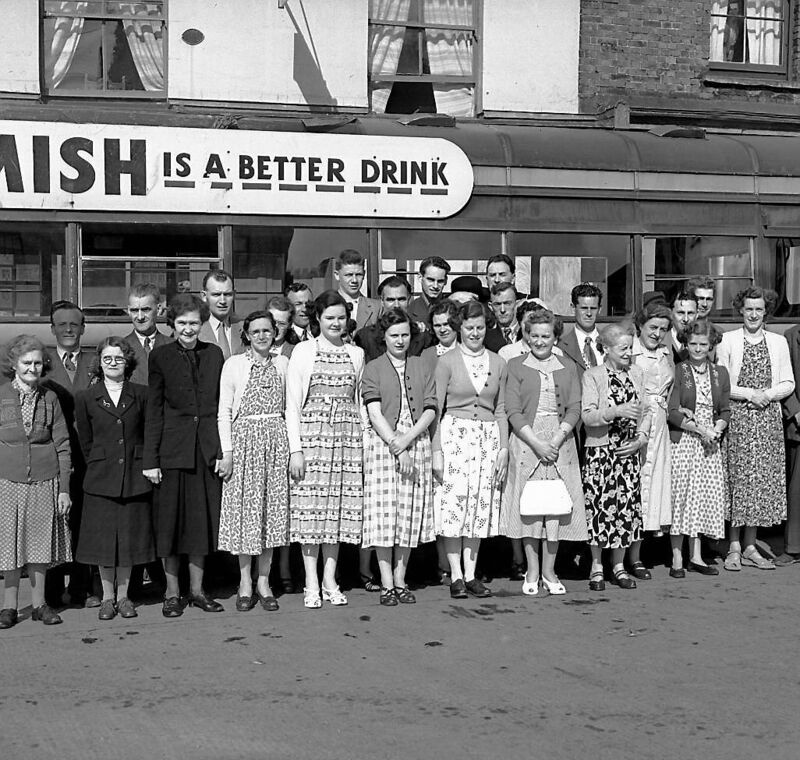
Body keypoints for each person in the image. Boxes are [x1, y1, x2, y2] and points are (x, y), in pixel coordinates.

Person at [143, 294, 226, 617]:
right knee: (170, 525)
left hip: (206, 451)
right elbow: (154, 410)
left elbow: (221, 406)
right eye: (182, 323)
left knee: (200, 525)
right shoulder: (160, 356)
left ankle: (198, 591)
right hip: (172, 452)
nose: (188, 329)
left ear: (202, 323)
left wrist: (222, 450)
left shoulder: (214, 354)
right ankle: (172, 593)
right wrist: (151, 460)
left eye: (193, 323)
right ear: (172, 325)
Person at [286, 290, 365, 609]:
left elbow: (359, 402)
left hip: (346, 440)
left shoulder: (356, 354)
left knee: (337, 512)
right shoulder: (304, 351)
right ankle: (310, 581)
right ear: (317, 318)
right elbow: (292, 404)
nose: (336, 323)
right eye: (329, 317)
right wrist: (295, 450)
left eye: (341, 317)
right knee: (311, 511)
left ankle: (330, 579)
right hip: (313, 438)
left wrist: (363, 446)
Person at [501, 309, 587, 596]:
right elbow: (512, 409)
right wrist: (537, 443)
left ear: (555, 337)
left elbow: (575, 406)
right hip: (528, 440)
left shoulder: (568, 365)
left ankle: (550, 571)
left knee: (555, 507)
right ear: (527, 336)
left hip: (560, 440)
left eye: (545, 336)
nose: (539, 341)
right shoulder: (515, 365)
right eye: (534, 335)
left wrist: (558, 438)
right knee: (531, 508)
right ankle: (532, 570)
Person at [432, 300, 509, 599]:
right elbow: (436, 409)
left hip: (487, 440)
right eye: (468, 328)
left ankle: (472, 574)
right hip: (455, 437)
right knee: (454, 506)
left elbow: (501, 409)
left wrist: (503, 448)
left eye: (479, 327)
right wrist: (437, 450)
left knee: (478, 504)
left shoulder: (498, 362)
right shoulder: (447, 361)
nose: (474, 333)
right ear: (459, 328)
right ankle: (455, 575)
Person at [74, 337, 154, 620]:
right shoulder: (86, 397)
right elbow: (85, 440)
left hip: (133, 476)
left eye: (118, 358)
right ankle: (107, 598)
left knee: (128, 540)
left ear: (127, 362)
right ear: (99, 362)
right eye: (107, 358)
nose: (113, 363)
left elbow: (148, 433)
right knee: (104, 542)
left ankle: (124, 596)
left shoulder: (142, 394)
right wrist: (100, 463)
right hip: (101, 478)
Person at [362, 308, 437, 606]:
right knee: (384, 515)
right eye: (394, 335)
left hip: (416, 441)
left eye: (405, 334)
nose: (400, 340)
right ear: (384, 337)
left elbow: (430, 408)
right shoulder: (374, 367)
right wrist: (397, 444)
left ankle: (401, 578)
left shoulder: (421, 365)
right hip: (384, 444)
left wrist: (408, 440)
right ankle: (386, 582)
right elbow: (374, 412)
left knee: (408, 513)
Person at [717, 286, 794, 571]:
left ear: (765, 312)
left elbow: (788, 382)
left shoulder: (778, 342)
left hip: (767, 420)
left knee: (759, 482)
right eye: (748, 309)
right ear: (741, 310)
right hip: (738, 418)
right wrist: (751, 394)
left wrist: (768, 395)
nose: (753, 314)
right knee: (738, 479)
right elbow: (723, 381)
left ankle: (750, 545)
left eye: (758, 309)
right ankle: (734, 546)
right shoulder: (728, 340)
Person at [217, 310, 289, 612]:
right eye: (255, 331)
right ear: (246, 335)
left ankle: (264, 581)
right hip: (244, 444)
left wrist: (292, 450)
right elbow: (224, 411)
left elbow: (290, 409)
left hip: (275, 444)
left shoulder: (283, 363)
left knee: (271, 514)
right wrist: (228, 452)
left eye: (267, 330)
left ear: (275, 333)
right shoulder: (234, 364)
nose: (261, 336)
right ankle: (245, 581)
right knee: (245, 516)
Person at [0, 336, 71, 628]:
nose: (32, 368)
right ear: (14, 364)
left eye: (38, 363)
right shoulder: (2, 395)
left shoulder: (50, 398)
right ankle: (9, 606)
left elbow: (62, 444)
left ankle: (40, 604)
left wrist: (64, 489)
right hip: (8, 482)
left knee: (39, 545)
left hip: (44, 480)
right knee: (9, 544)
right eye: (26, 362)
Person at [582, 322, 651, 591]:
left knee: (625, 510)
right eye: (622, 348)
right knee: (599, 509)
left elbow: (647, 411)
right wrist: (616, 411)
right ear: (606, 349)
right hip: (601, 453)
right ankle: (597, 566)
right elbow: (588, 416)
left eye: (630, 348)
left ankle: (619, 566)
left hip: (628, 453)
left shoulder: (637, 373)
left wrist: (641, 439)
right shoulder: (593, 376)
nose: (628, 353)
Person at [42, 300, 95, 608]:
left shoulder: (94, 361)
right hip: (55, 455)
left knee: (83, 521)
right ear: (52, 329)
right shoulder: (43, 363)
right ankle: (50, 592)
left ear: (83, 328)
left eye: (74, 324)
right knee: (54, 522)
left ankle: (80, 588)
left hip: (88, 454)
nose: (68, 329)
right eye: (61, 324)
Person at [668, 320, 730, 578]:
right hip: (685, 440)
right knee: (681, 497)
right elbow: (672, 412)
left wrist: (717, 428)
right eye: (692, 343)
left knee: (701, 498)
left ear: (711, 345)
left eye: (703, 344)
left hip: (710, 443)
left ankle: (696, 556)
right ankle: (677, 557)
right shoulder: (679, 370)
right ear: (686, 343)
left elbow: (725, 409)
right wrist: (701, 430)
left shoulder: (720, 373)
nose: (697, 348)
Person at [627, 301, 674, 579]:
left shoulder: (666, 353)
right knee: (634, 487)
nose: (657, 334)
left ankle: (639, 555)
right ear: (641, 326)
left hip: (661, 426)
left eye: (663, 329)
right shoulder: (631, 353)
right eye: (653, 327)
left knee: (652, 487)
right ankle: (624, 556)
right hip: (637, 423)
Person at [355, 276, 432, 363]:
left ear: (409, 300)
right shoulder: (365, 337)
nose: (396, 305)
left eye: (401, 299)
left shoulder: (422, 337)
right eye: (390, 300)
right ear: (382, 301)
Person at [124, 283, 173, 386]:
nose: (140, 317)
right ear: (128, 311)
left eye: (145, 310)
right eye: (134, 310)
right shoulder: (120, 348)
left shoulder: (174, 347)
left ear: (158, 309)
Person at [780, 320, 800, 565]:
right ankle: (794, 547)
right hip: (799, 422)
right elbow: (783, 377)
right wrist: (795, 411)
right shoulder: (791, 336)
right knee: (797, 489)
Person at [558, 283, 604, 374]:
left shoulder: (611, 342)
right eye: (584, 308)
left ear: (599, 309)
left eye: (593, 308)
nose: (589, 313)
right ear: (573, 308)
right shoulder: (560, 347)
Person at [199, 270, 244, 359]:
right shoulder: (195, 330)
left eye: (227, 294)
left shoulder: (244, 328)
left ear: (234, 295)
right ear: (204, 296)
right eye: (216, 295)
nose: (222, 301)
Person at [333, 249, 380, 330]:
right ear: (337, 275)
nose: (354, 280)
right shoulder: (324, 305)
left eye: (358, 275)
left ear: (364, 274)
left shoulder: (377, 308)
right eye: (349, 275)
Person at [408, 256, 451, 327]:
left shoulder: (454, 310)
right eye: (431, 280)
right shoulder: (409, 310)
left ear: (446, 281)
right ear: (420, 277)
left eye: (440, 281)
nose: (435, 286)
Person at [485, 282, 520, 352]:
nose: (502, 310)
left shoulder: (528, 333)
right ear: (490, 307)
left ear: (517, 304)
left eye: (507, 303)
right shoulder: (485, 338)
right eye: (497, 304)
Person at [668, 290, 698, 364]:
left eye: (690, 313)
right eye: (680, 313)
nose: (686, 319)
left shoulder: (705, 343)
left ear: (697, 315)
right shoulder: (661, 341)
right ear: (671, 313)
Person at [267, 295, 298, 359]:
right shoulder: (250, 349)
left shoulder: (295, 352)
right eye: (272, 322)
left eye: (281, 324)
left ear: (289, 325)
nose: (276, 327)